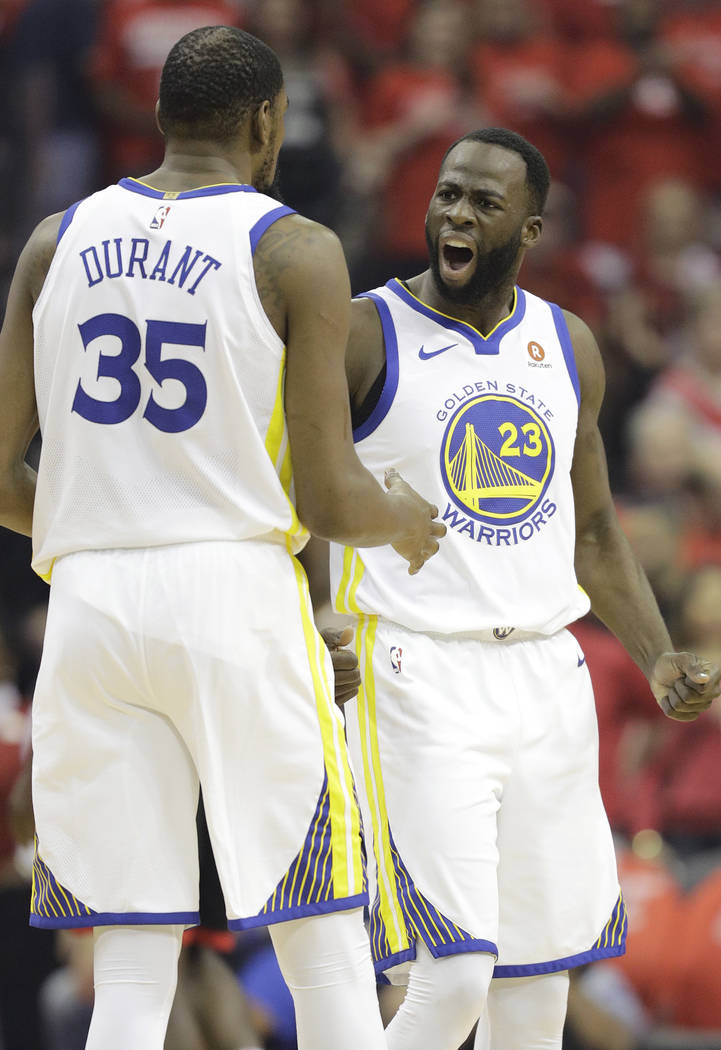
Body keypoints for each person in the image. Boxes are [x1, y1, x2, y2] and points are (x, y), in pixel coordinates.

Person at [0, 25, 445, 1050]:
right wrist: (406, 521)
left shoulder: (52, 240)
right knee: (319, 927)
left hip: (90, 602)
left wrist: (110, 517)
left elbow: (2, 471)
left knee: (127, 964)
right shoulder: (294, 246)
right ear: (267, 123)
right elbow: (333, 499)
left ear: (158, 116)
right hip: (231, 592)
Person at [325, 127, 721, 1050]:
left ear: (529, 228)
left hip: (545, 676)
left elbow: (591, 531)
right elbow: (297, 492)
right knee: (453, 976)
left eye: (482, 203)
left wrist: (657, 653)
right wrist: (314, 619)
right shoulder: (361, 329)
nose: (455, 214)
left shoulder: (565, 342)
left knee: (536, 993)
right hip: (414, 673)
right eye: (446, 195)